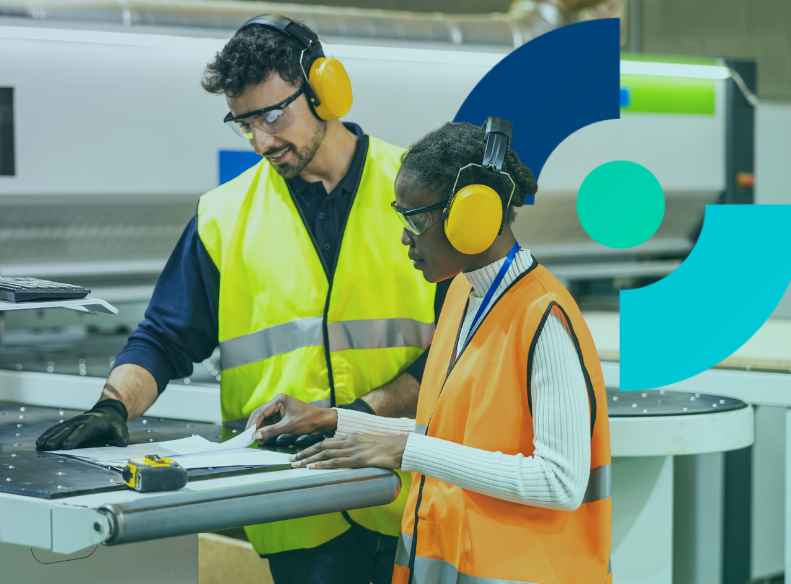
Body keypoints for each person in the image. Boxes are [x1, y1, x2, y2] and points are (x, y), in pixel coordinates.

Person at [35, 15, 443, 584]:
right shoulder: (222, 217)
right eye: (244, 123)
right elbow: (165, 336)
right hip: (296, 507)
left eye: (274, 115)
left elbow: (463, 344)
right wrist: (113, 406)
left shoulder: (415, 188)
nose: (262, 141)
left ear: (327, 90)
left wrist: (357, 419)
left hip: (414, 497)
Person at [247, 120, 612, 584]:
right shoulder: (465, 295)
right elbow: (447, 433)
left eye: (415, 220)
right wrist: (337, 419)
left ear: (472, 217)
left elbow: (560, 482)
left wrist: (405, 449)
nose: (405, 238)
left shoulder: (544, 317)